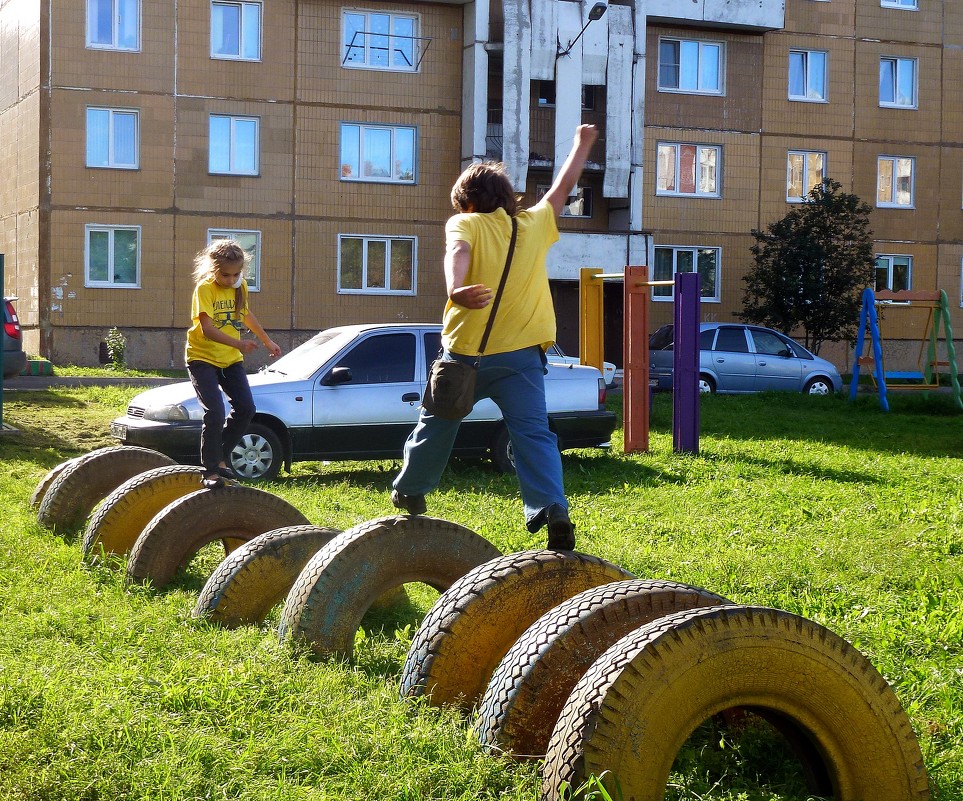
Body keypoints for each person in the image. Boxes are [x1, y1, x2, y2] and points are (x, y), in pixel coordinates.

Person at [391, 123, 600, 550]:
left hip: (465, 353)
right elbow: (562, 187)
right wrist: (581, 145)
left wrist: (455, 289)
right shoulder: (534, 224)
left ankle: (411, 488)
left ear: (467, 201)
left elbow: (457, 252)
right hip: (521, 357)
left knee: (437, 425)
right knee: (533, 434)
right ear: (506, 197)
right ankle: (551, 507)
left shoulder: (464, 223)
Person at [186, 240, 281, 488]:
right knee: (215, 411)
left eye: (236, 274)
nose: (231, 279)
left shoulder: (241, 287)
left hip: (230, 360)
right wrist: (239, 344)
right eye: (225, 275)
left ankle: (220, 459)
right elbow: (207, 329)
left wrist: (266, 340)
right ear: (212, 269)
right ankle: (210, 471)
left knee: (246, 409)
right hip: (202, 358)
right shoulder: (205, 289)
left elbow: (246, 315)